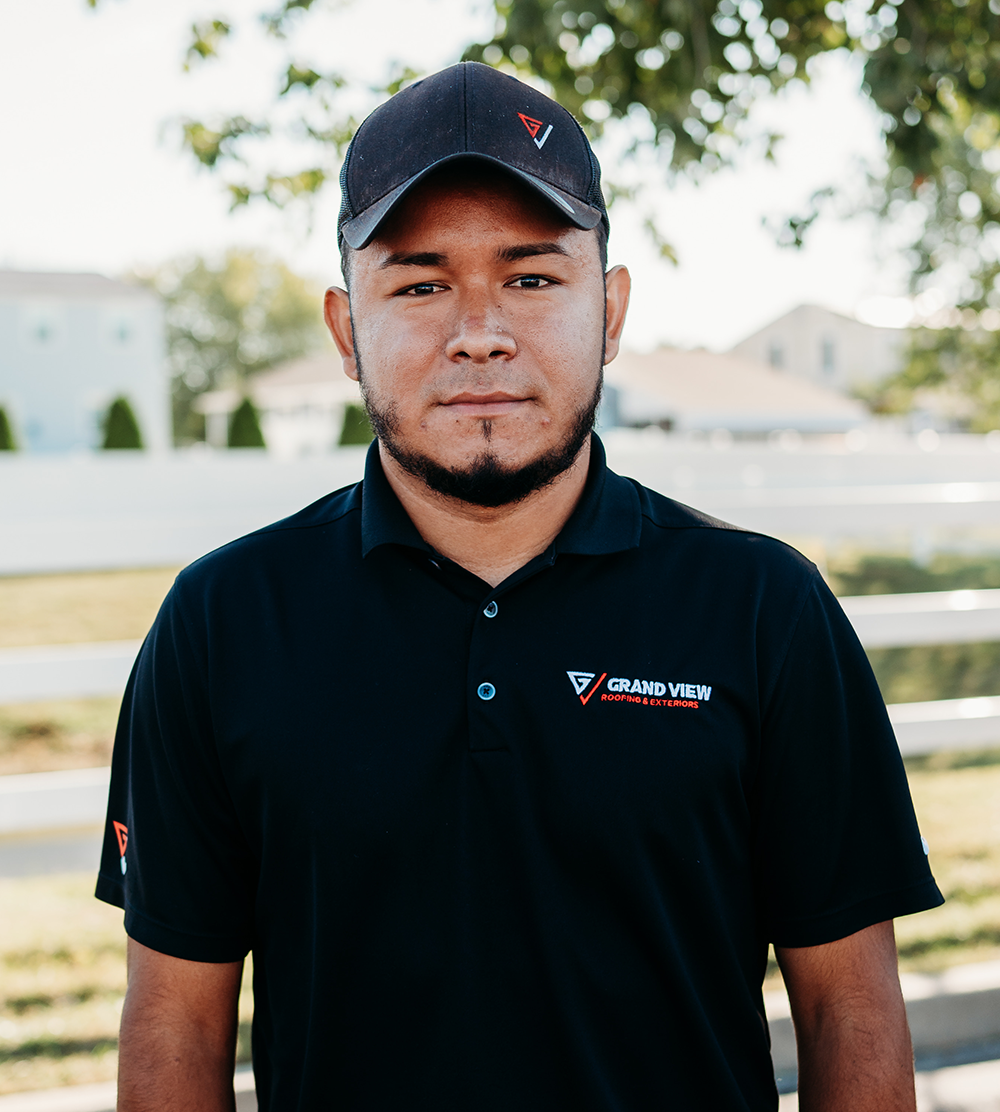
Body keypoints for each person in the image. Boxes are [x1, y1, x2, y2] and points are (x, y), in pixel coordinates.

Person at [98, 61, 942, 1112]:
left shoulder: (766, 609)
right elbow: (174, 1025)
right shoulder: (221, 624)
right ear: (344, 328)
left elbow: (849, 1012)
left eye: (533, 277)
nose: (480, 331)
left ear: (612, 307)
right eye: (417, 283)